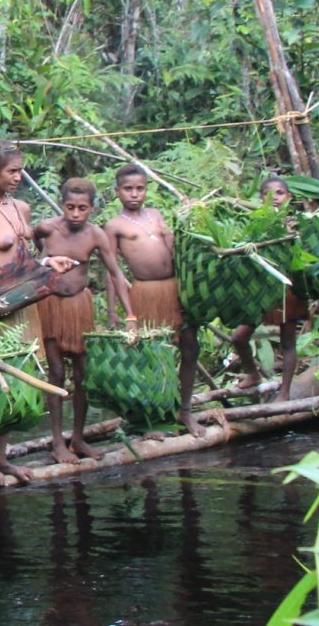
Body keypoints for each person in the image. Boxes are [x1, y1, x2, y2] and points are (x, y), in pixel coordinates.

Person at [0, 140, 71, 485]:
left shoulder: (19, 207)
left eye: (21, 170)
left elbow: (20, 261)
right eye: (11, 171)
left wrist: (47, 263)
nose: (18, 177)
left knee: (19, 381)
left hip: (23, 307)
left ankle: (0, 457)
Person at [32, 178, 136, 465]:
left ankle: (77, 438)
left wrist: (130, 315)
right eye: (70, 207)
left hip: (80, 306)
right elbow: (29, 248)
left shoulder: (96, 235)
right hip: (50, 305)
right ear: (61, 204)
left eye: (82, 208)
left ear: (92, 208)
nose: (76, 214)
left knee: (82, 375)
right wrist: (44, 262)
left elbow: (115, 273)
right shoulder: (46, 229)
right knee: (55, 373)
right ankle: (56, 442)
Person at [105, 164, 207, 436]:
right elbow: (111, 270)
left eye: (140, 188)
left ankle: (185, 411)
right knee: (151, 356)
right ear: (117, 192)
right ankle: (152, 419)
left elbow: (175, 248)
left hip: (173, 289)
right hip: (145, 293)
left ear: (147, 189)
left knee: (189, 348)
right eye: (128, 189)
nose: (134, 194)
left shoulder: (156, 215)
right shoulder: (115, 225)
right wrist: (115, 311)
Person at [227, 176, 304, 401]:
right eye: (269, 195)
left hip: (287, 289)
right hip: (261, 291)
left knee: (288, 341)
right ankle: (253, 374)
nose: (275, 199)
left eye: (280, 193)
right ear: (261, 199)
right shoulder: (255, 226)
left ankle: (285, 392)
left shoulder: (296, 225)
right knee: (239, 337)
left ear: (288, 197)